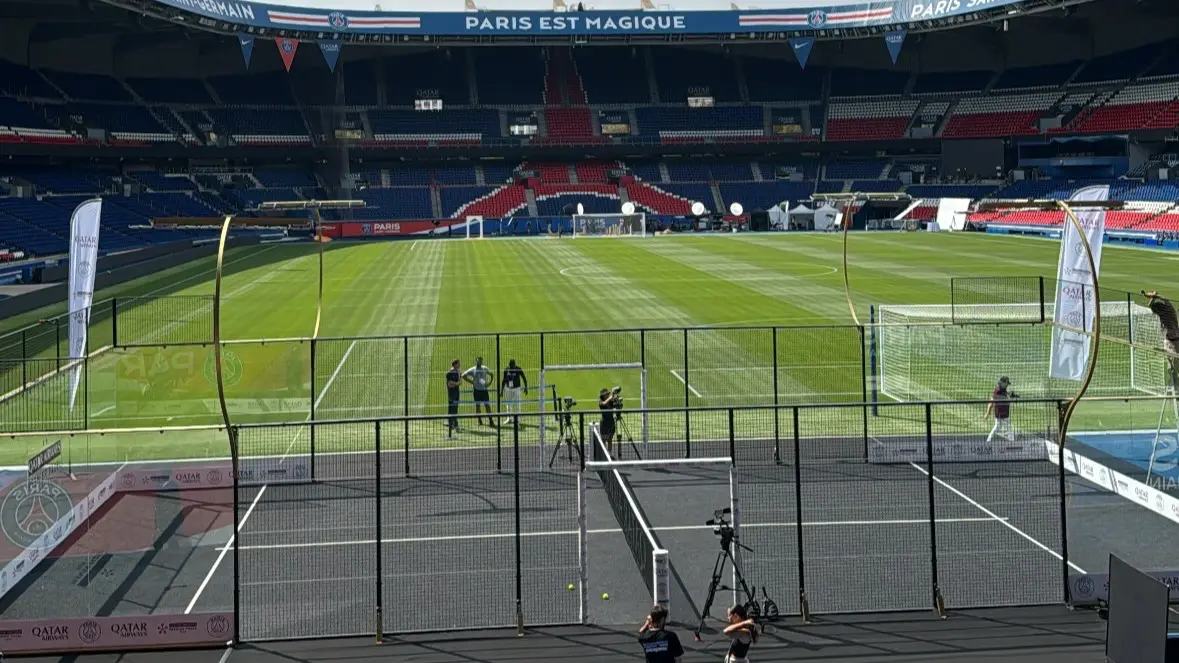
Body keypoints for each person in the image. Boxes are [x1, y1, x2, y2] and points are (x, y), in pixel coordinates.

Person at [1145, 291, 1179, 390]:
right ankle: (1175, 387)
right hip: (1174, 341)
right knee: (1174, 368)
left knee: (1174, 368)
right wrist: (1157, 295)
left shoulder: (1163, 315)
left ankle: (1175, 387)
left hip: (1170, 343)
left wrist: (1152, 298)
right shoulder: (1171, 310)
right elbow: (1167, 301)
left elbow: (1151, 306)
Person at [463, 356, 496, 426]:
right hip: (476, 391)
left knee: (487, 406)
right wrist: (472, 382)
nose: (479, 362)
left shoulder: (484, 368)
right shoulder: (473, 369)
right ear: (476, 361)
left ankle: (491, 421)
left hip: (484, 391)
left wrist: (489, 383)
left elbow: (492, 374)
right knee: (478, 406)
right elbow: (463, 375)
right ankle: (479, 420)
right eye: (478, 361)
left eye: (481, 361)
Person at [984, 376, 1015, 443]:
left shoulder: (1000, 389)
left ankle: (989, 440)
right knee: (1005, 427)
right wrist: (987, 413)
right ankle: (989, 440)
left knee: (1004, 427)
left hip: (1003, 413)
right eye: (1006, 383)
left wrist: (1010, 394)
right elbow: (993, 400)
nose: (1007, 385)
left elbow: (1005, 395)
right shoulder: (998, 391)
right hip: (1001, 413)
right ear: (1002, 383)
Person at [500, 358, 528, 423]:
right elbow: (503, 380)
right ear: (509, 365)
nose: (512, 367)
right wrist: (501, 390)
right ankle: (509, 418)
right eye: (510, 366)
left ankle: (517, 419)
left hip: (516, 389)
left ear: (515, 365)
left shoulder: (518, 369)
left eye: (513, 366)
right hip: (508, 389)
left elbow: (524, 378)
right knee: (508, 404)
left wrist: (526, 388)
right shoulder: (506, 370)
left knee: (517, 404)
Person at [599, 387, 621, 453]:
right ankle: (603, 454)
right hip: (604, 424)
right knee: (603, 440)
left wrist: (617, 400)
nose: (607, 395)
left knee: (610, 440)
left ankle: (609, 454)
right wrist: (611, 395)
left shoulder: (611, 402)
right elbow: (604, 403)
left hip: (611, 423)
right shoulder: (601, 402)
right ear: (602, 396)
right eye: (606, 394)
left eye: (607, 394)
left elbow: (617, 405)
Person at [445, 359, 462, 438]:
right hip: (451, 392)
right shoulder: (450, 372)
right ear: (455, 364)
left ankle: (453, 423)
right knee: (451, 407)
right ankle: (452, 423)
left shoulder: (458, 372)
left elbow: (460, 382)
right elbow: (449, 384)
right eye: (458, 363)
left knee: (455, 407)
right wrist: (456, 383)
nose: (460, 364)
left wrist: (455, 384)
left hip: (456, 392)